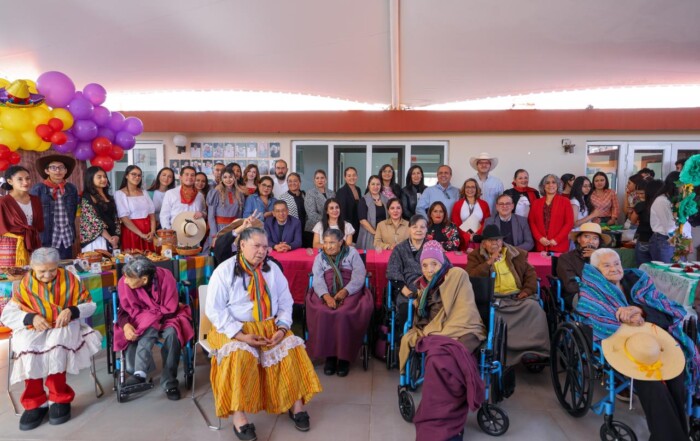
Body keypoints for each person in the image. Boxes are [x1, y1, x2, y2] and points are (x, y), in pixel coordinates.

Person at [205, 227, 322, 439]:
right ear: (242, 245)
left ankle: (295, 405)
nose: (262, 251)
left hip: (269, 325)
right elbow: (214, 310)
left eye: (265, 247)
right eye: (256, 246)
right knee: (238, 355)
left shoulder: (272, 269)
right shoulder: (225, 270)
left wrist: (282, 328)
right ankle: (239, 417)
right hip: (234, 328)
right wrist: (241, 335)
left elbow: (285, 301)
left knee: (292, 348)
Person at [577, 249, 699, 441]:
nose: (614, 268)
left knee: (676, 374)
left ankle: (671, 435)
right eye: (606, 265)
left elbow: (669, 312)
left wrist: (641, 311)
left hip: (655, 342)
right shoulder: (591, 291)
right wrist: (622, 320)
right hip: (624, 349)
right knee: (652, 383)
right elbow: (595, 321)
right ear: (596, 270)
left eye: (617, 263)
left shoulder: (638, 281)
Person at [0, 248, 102, 431]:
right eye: (42, 271)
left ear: (58, 266)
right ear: (32, 267)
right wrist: (30, 318)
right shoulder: (25, 283)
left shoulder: (70, 279)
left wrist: (72, 310)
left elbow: (90, 305)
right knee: (27, 346)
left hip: (63, 324)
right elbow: (8, 314)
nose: (47, 275)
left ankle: (59, 398)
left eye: (52, 270)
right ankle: (35, 403)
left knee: (57, 346)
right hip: (35, 326)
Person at [466, 224, 550, 365]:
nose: (495, 243)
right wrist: (490, 261)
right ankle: (505, 354)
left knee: (534, 308)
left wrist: (526, 291)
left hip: (517, 296)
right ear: (484, 243)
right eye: (491, 240)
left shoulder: (516, 253)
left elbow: (530, 273)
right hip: (493, 299)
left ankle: (535, 351)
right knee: (493, 315)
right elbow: (471, 276)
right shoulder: (475, 256)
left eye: (498, 240)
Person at [113, 256, 194, 401]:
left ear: (144, 280)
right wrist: (126, 326)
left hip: (167, 317)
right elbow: (123, 311)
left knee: (173, 334)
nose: (125, 281)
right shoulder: (125, 284)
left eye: (129, 278)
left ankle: (169, 382)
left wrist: (151, 317)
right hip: (139, 319)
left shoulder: (166, 279)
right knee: (147, 328)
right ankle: (139, 373)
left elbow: (171, 309)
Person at [399, 240, 485, 373]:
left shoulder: (456, 275)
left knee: (449, 355)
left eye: (434, 264)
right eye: (424, 265)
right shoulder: (423, 285)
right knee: (435, 355)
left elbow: (465, 312)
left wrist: (448, 332)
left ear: (442, 262)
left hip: (459, 328)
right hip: (434, 330)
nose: (429, 270)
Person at [307, 229, 373, 376]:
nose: (328, 246)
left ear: (341, 242)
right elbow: (317, 279)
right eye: (325, 243)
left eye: (332, 242)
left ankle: (344, 358)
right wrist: (326, 297)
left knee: (344, 312)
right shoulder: (320, 257)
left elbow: (359, 276)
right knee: (323, 312)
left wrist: (345, 292)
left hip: (350, 290)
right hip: (325, 290)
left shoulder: (352, 253)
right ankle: (330, 356)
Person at [387, 215, 433, 336]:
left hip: (430, 292)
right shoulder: (399, 249)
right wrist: (410, 294)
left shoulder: (433, 247)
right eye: (415, 227)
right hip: (407, 293)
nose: (418, 230)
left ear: (426, 230)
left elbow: (445, 269)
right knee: (405, 310)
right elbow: (393, 272)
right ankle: (405, 341)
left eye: (422, 227)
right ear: (409, 229)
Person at [30, 155, 78, 260]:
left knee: (66, 266)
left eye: (61, 167)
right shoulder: (38, 189)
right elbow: (32, 214)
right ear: (47, 171)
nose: (58, 171)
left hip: (66, 237)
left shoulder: (71, 188)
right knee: (47, 266)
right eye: (53, 167)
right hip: (46, 237)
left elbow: (73, 212)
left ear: (65, 171)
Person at [556, 222, 610, 308]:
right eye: (587, 236)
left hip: (603, 294)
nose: (591, 241)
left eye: (595, 238)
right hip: (577, 295)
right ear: (579, 239)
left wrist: (596, 258)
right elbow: (571, 287)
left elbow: (611, 281)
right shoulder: (566, 258)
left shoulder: (604, 259)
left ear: (599, 242)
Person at [0, 166, 43, 266]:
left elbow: (38, 225)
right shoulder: (3, 202)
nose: (25, 182)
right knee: (12, 274)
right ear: (10, 181)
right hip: (10, 246)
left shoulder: (35, 200)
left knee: (32, 273)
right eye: (20, 179)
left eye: (27, 178)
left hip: (32, 242)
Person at [528, 174, 574, 253]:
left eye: (553, 182)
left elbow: (569, 223)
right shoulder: (536, 203)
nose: (550, 185)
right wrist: (539, 238)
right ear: (543, 186)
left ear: (558, 185)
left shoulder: (565, 201)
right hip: (541, 245)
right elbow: (531, 222)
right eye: (547, 183)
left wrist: (557, 239)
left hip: (559, 245)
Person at [650, 171, 688, 263]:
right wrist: (681, 244)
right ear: (675, 185)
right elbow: (670, 227)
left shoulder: (674, 200)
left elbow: (684, 222)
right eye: (683, 185)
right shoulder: (662, 201)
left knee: (679, 268)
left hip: (675, 239)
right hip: (664, 240)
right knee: (668, 269)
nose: (685, 188)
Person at [80, 166, 120, 252]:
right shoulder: (86, 197)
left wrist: (116, 235)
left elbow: (116, 218)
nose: (103, 179)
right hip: (96, 240)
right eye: (99, 177)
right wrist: (110, 239)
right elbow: (93, 220)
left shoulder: (109, 197)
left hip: (113, 238)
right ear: (90, 179)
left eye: (105, 176)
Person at [116, 165, 156, 251]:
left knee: (150, 256)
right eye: (133, 174)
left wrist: (152, 232)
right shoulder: (120, 194)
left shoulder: (144, 192)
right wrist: (141, 234)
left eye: (139, 175)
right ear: (126, 176)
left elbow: (152, 214)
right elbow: (124, 218)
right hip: (131, 231)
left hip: (148, 231)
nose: (137, 177)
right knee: (134, 256)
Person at [451, 178, 490, 252]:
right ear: (464, 189)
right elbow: (455, 223)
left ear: (476, 189)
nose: (470, 189)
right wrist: (467, 236)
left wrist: (476, 236)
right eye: (467, 187)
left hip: (479, 239)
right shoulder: (457, 204)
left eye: (473, 187)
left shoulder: (484, 204)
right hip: (463, 239)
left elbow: (487, 222)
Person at [207, 166, 245, 241]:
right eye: (225, 177)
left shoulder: (239, 194)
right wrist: (214, 234)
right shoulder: (215, 193)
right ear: (221, 179)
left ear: (234, 178)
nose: (228, 180)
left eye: (230, 177)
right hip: (219, 228)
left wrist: (238, 229)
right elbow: (211, 216)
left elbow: (239, 215)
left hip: (233, 229)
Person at [632, 179, 664, 266]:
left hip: (644, 239)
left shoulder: (641, 205)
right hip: (660, 240)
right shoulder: (665, 205)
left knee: (643, 267)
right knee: (658, 267)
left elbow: (632, 220)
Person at [278, 173, 311, 247]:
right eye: (290, 181)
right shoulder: (282, 198)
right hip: (292, 231)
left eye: (295, 181)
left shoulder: (305, 195)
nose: (292, 183)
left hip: (306, 231)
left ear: (300, 182)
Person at [357, 175, 387, 249]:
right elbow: (363, 221)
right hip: (369, 235)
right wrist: (376, 234)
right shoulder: (363, 200)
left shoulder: (386, 200)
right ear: (368, 185)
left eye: (378, 184)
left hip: (385, 235)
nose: (375, 187)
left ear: (381, 186)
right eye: (373, 184)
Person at [304, 169, 335, 237]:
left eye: (322, 178)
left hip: (330, 229)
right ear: (314, 180)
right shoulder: (310, 193)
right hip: (313, 230)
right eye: (317, 178)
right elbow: (311, 214)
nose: (320, 180)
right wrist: (327, 221)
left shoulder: (332, 193)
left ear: (326, 180)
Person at [335, 166, 362, 243]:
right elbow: (342, 213)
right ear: (345, 177)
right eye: (349, 175)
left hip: (358, 224)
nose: (352, 177)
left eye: (354, 175)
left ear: (357, 176)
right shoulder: (341, 192)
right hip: (347, 226)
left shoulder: (358, 189)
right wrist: (346, 229)